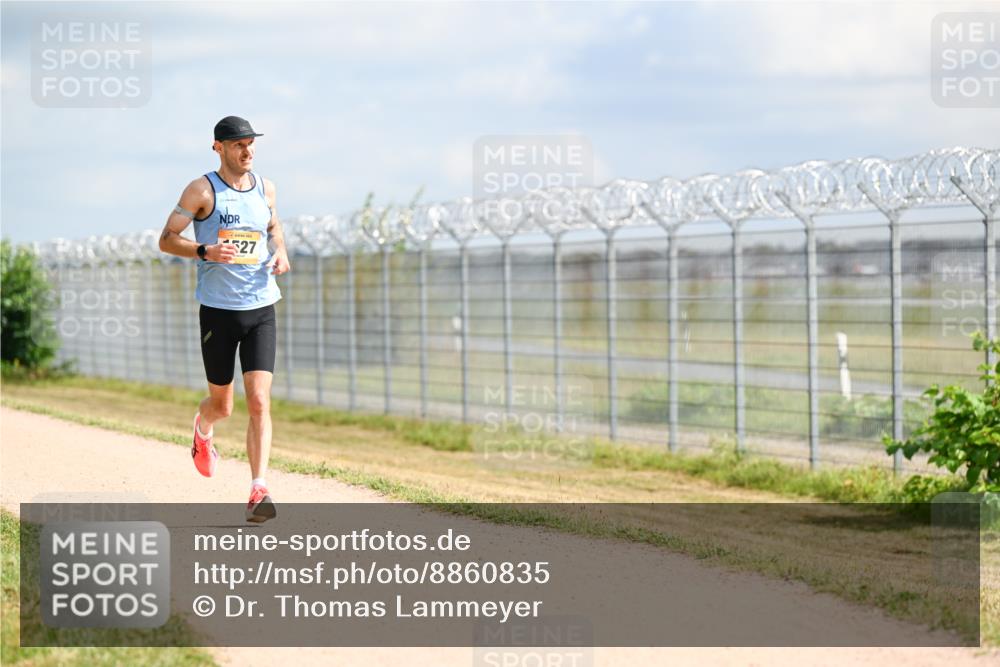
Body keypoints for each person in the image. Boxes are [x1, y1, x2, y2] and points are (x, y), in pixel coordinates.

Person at [159, 115, 291, 522]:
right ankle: (203, 428)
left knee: (259, 400)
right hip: (219, 311)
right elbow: (166, 239)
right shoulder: (202, 190)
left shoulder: (265, 187)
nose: (247, 151)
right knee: (224, 405)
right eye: (238, 145)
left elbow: (273, 226)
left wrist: (281, 250)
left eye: (251, 143)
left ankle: (258, 488)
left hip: (261, 307)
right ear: (219, 147)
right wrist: (205, 252)